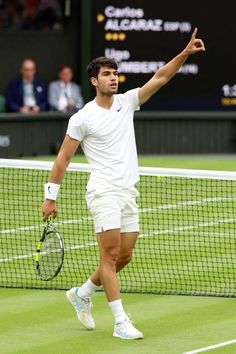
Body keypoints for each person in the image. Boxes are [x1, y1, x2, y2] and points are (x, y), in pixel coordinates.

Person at [42, 28, 205, 340]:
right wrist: (51, 197)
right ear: (94, 81)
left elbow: (160, 77)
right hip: (102, 190)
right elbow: (63, 158)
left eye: (115, 74)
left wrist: (184, 53)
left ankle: (82, 293)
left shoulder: (127, 102)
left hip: (128, 190)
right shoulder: (82, 117)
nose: (113, 79)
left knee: (125, 255)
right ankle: (120, 321)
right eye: (106, 74)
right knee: (110, 257)